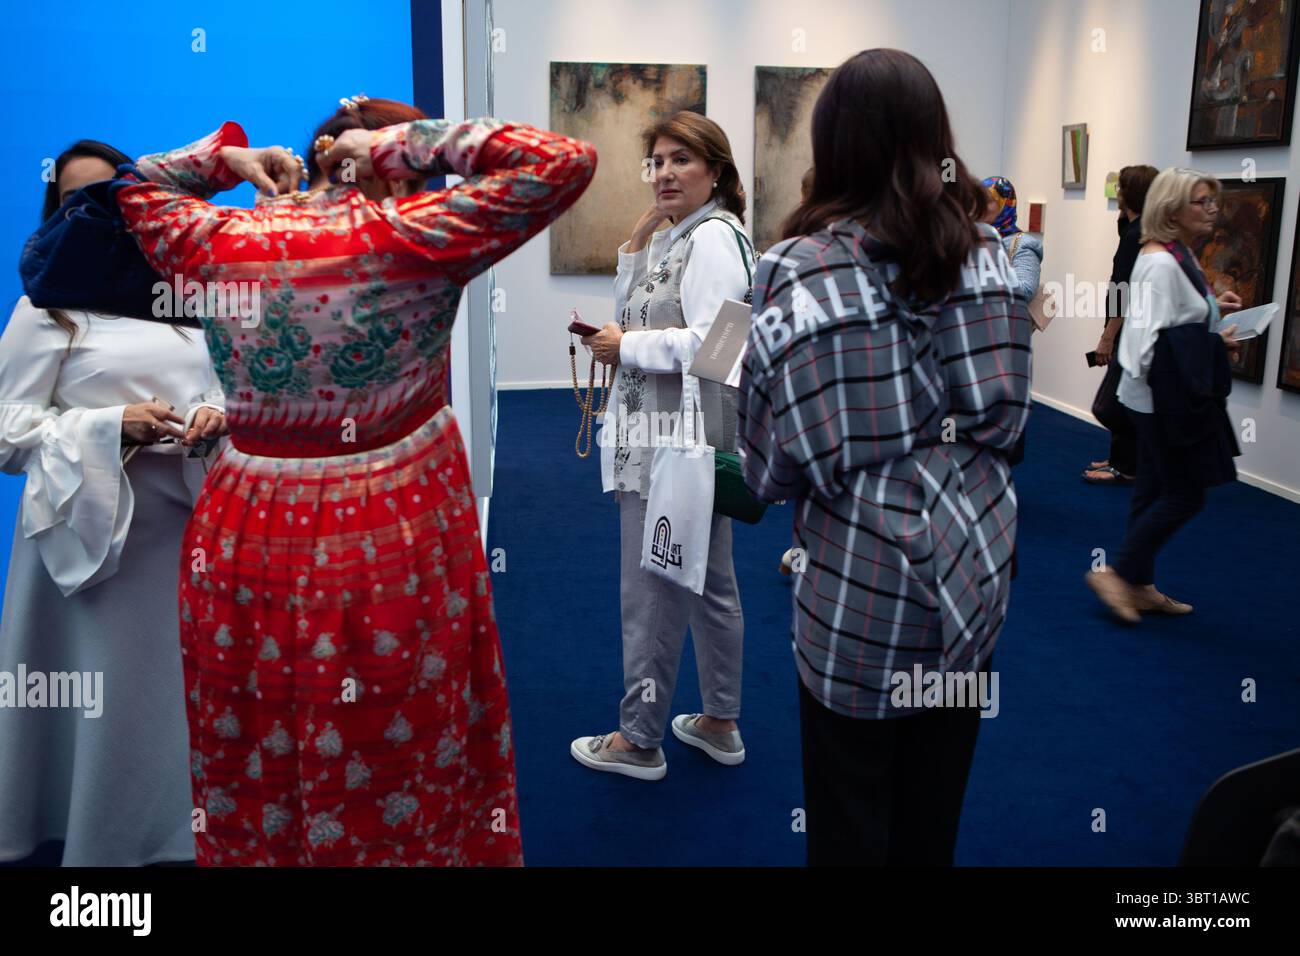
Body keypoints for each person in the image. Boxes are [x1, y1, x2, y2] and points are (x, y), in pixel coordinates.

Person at [114, 97, 596, 865]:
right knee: (393, 740)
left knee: (257, 744)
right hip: (384, 525)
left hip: (246, 529)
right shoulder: (417, 233)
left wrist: (223, 159)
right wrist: (406, 145)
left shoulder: (218, 236)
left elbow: (128, 188)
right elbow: (563, 162)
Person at [738, 49, 1032, 866]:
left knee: (849, 827)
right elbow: (1013, 431)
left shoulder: (794, 271)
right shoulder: (991, 257)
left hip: (860, 600)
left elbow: (763, 471)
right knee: (930, 824)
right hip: (975, 580)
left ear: (834, 145)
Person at [0, 140, 227, 866]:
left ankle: (172, 835)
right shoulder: (48, 308)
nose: (93, 213)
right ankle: (89, 845)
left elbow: (223, 383)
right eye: (75, 200)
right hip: (87, 555)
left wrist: (216, 415)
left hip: (178, 542)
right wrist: (108, 427)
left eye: (110, 197)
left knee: (167, 700)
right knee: (95, 702)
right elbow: (4, 433)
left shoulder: (182, 295)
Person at [570, 111, 755, 780]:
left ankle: (639, 740)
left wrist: (629, 347)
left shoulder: (712, 240)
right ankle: (720, 720)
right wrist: (637, 243)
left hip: (676, 441)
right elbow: (647, 313)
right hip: (685, 435)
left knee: (652, 588)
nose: (665, 172)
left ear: (716, 171)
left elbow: (722, 348)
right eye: (657, 160)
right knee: (707, 582)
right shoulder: (687, 237)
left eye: (682, 159)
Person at [1085, 168, 1242, 621]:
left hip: (1158, 396)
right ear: (1172, 210)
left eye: (1213, 201)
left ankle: (1139, 585)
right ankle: (1117, 575)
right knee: (1185, 493)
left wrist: (1215, 313)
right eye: (1201, 202)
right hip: (1159, 401)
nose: (1212, 209)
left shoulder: (1178, 255)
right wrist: (1213, 343)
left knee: (1151, 492)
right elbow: (1144, 345)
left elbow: (1177, 320)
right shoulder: (1158, 261)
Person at [1084, 164, 1160, 485]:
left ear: (1131, 194)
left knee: (1117, 402)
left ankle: (1126, 467)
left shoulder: (1135, 235)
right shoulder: (1136, 228)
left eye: (1121, 188)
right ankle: (1119, 459)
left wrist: (1107, 337)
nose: (1116, 193)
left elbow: (1124, 290)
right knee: (1121, 395)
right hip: (1129, 324)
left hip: (1126, 325)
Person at [981, 176, 1042, 300]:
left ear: (1004, 203)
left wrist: (979, 281)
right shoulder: (975, 237)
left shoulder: (1023, 244)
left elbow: (1026, 290)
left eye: (986, 200)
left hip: (1004, 317)